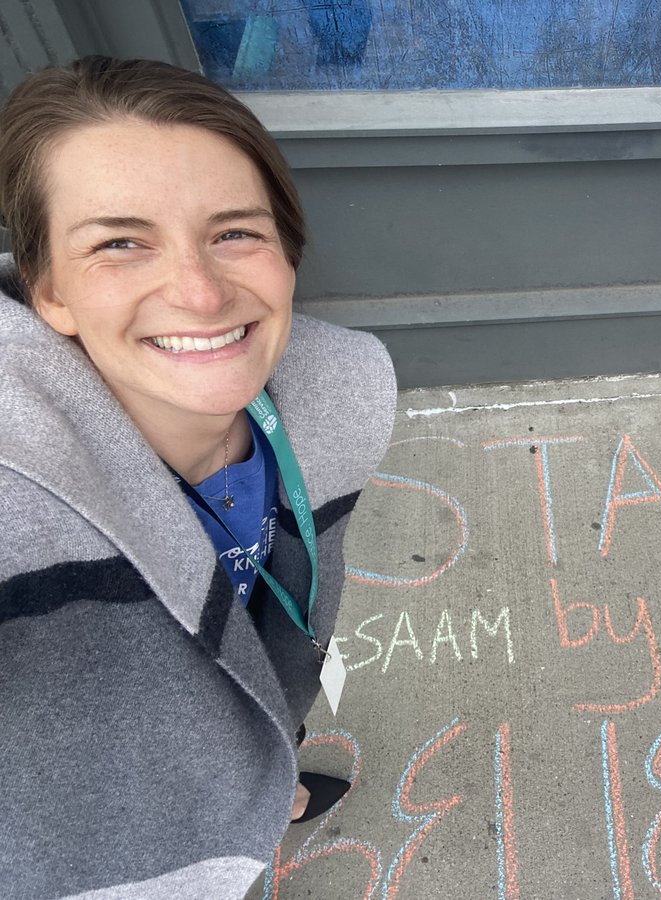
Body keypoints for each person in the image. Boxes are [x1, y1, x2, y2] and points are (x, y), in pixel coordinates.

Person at [0, 57, 396, 897]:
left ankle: (261, 785)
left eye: (234, 232)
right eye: (118, 243)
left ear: (287, 255)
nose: (200, 291)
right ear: (49, 294)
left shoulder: (327, 405)